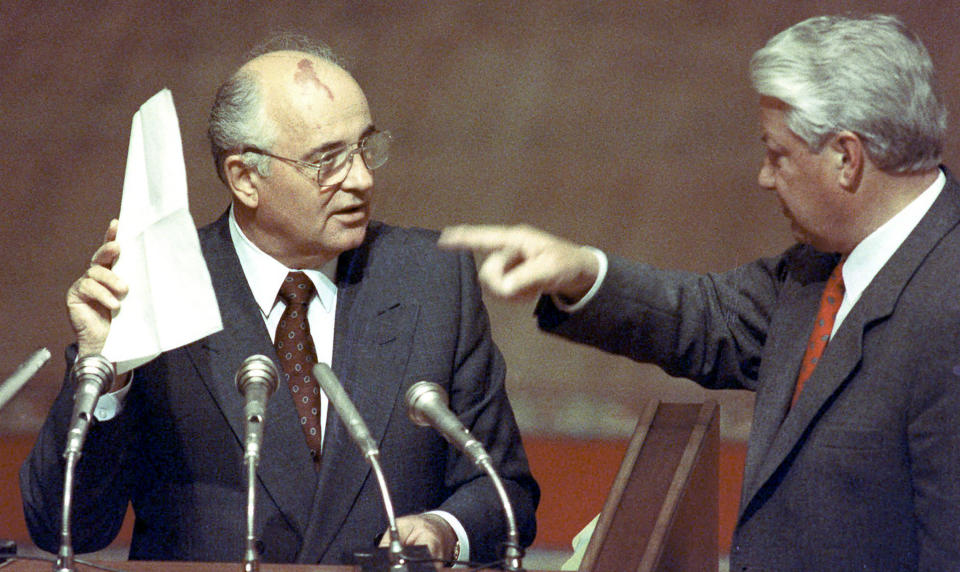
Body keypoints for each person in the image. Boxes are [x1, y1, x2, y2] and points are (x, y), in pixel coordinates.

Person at [440, 14, 960, 571]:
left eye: (777, 154)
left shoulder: (947, 306)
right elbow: (713, 318)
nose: (764, 176)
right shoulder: (823, 266)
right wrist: (580, 272)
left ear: (846, 157)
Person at [20, 37, 538, 566]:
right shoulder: (160, 284)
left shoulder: (429, 279)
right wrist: (105, 368)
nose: (362, 179)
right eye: (328, 161)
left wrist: (443, 528)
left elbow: (504, 492)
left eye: (364, 147)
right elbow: (67, 526)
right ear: (246, 178)